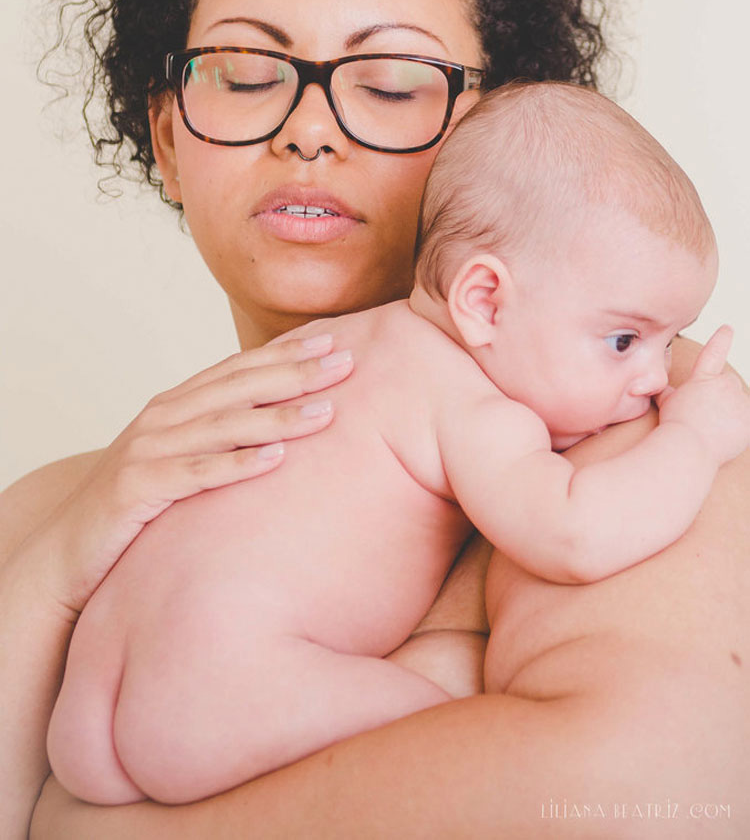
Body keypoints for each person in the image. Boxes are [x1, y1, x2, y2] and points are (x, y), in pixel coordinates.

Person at [1, 0, 746, 839]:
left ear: (490, 142)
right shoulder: (55, 504)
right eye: (248, 73)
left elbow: (653, 793)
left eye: (393, 83)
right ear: (166, 139)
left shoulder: (623, 414)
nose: (310, 129)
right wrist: (57, 566)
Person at [46, 81, 750, 807]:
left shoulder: (339, 344)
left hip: (87, 703)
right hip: (221, 691)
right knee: (460, 732)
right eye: (624, 338)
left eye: (668, 340)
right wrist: (696, 438)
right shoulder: (472, 408)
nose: (653, 377)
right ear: (484, 302)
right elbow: (575, 532)